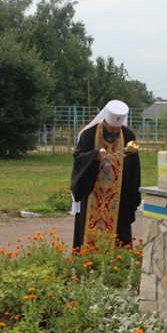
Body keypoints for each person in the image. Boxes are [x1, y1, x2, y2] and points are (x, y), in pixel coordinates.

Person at [70, 100, 142, 249]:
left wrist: (131, 192)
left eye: (117, 129)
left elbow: (133, 167)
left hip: (118, 195)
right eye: (111, 128)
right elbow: (78, 158)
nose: (114, 132)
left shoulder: (128, 136)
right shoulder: (89, 134)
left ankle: (118, 257)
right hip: (92, 192)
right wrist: (94, 156)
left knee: (119, 230)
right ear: (105, 122)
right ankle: (87, 255)